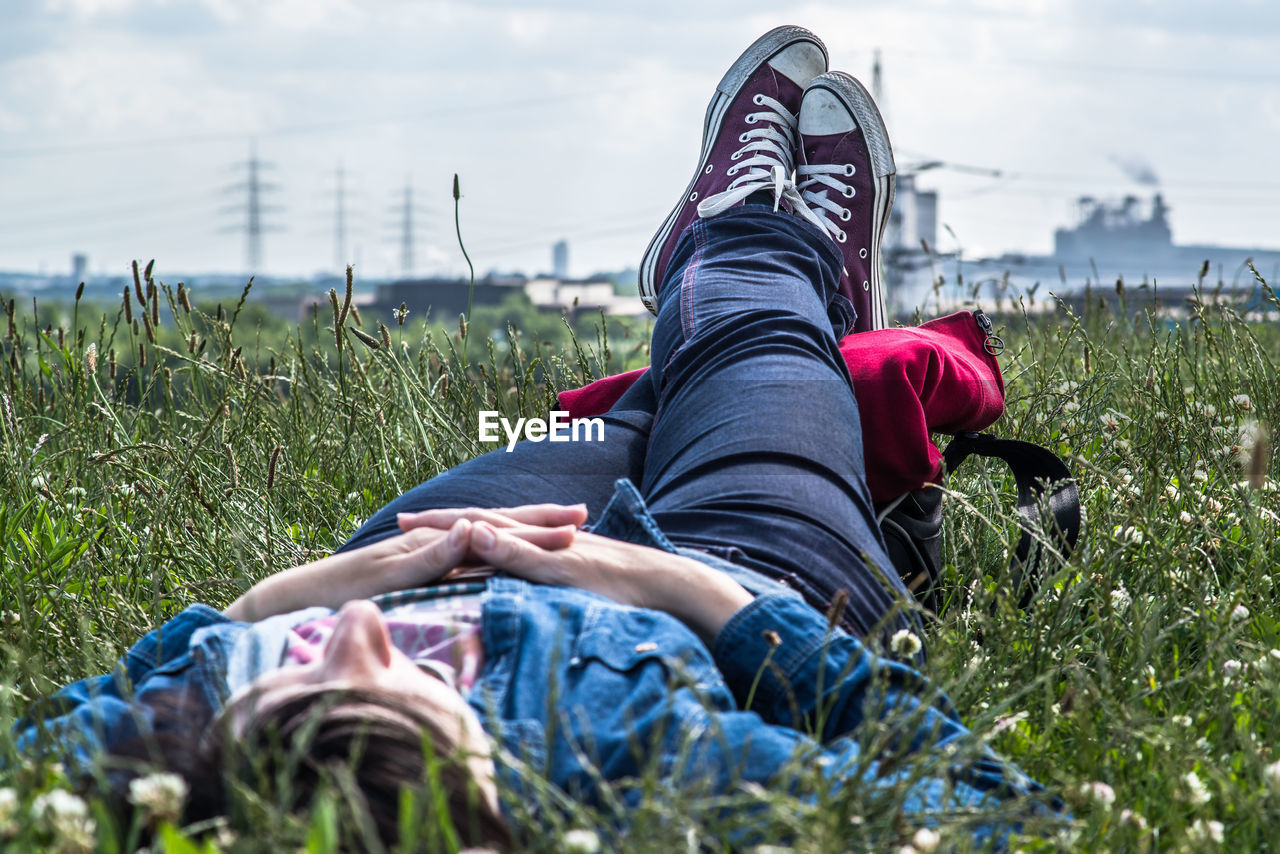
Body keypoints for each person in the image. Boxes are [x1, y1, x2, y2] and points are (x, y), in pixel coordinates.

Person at [15, 26, 1059, 851]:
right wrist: (685, 591)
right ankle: (757, 242)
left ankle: (783, 308)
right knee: (752, 350)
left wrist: (280, 599)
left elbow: (40, 746)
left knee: (641, 404)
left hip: (446, 535)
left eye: (289, 663)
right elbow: (997, 811)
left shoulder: (198, 783)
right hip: (738, 570)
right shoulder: (643, 763)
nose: (351, 630)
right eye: (406, 677)